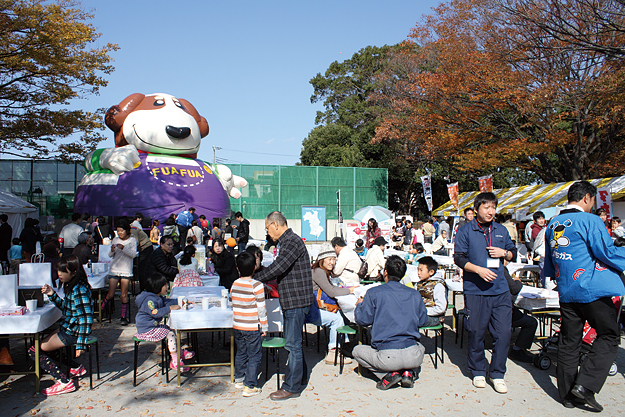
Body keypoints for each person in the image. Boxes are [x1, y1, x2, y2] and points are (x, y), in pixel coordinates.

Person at [544, 181, 625, 411]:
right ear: (588, 198)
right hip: (592, 289)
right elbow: (606, 251)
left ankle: (567, 395)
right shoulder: (590, 220)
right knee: (609, 336)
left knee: (570, 341)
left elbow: (550, 260)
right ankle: (586, 386)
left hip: (566, 289)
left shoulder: (554, 222)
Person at [453, 192, 516, 394]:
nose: (491, 211)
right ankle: (478, 370)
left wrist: (504, 253)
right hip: (476, 290)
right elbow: (459, 258)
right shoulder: (465, 231)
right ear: (477, 209)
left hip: (500, 290)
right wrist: (478, 270)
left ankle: (497, 373)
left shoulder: (501, 230)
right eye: (487, 207)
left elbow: (512, 252)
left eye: (494, 208)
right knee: (476, 332)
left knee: (504, 333)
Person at [253, 211, 313, 401]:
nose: (268, 233)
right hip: (293, 300)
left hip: (296, 301)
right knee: (294, 342)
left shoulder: (291, 241)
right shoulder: (287, 241)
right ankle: (300, 377)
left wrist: (254, 279)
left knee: (292, 344)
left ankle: (291, 387)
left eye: (267, 228)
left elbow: (279, 267)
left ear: (275, 225)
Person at [352, 255, 428, 390]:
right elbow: (422, 321)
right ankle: (408, 373)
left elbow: (362, 320)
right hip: (412, 353)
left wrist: (359, 305)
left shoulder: (374, 293)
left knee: (357, 351)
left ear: (385, 272)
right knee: (421, 347)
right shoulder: (414, 294)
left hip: (387, 355)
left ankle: (388, 374)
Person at [33, 255, 93, 396]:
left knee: (35, 350)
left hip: (73, 332)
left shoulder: (79, 289)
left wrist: (81, 344)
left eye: (63, 271)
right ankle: (75, 367)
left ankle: (63, 382)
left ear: (74, 272)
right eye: (58, 270)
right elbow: (67, 308)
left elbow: (86, 318)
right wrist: (52, 294)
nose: (59, 274)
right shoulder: (73, 287)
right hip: (69, 329)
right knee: (39, 345)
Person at [135, 273, 194, 372]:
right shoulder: (149, 300)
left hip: (151, 326)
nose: (167, 287)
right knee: (170, 334)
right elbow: (155, 313)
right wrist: (169, 309)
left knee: (170, 329)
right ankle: (175, 361)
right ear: (157, 287)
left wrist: (183, 301)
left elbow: (168, 302)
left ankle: (178, 352)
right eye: (165, 285)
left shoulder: (157, 297)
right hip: (146, 329)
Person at [310, 243, 355, 364]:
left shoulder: (321, 271)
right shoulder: (318, 272)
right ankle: (333, 352)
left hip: (314, 307)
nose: (332, 262)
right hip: (312, 310)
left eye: (334, 259)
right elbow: (331, 291)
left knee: (341, 314)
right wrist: (350, 290)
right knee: (337, 319)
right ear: (321, 260)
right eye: (329, 259)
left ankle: (343, 346)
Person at [231, 252, 268, 397]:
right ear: (254, 267)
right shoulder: (257, 285)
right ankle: (249, 385)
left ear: (237, 268)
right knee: (254, 355)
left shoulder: (234, 284)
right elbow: (261, 309)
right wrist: (264, 327)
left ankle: (239, 379)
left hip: (238, 325)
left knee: (241, 352)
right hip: (252, 326)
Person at [101, 219, 137, 326]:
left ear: (127, 230)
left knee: (123, 294)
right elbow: (110, 255)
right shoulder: (115, 239)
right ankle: (101, 311)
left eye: (122, 231)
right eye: (118, 231)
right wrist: (112, 249)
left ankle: (123, 316)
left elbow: (133, 254)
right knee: (110, 294)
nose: (120, 233)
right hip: (114, 269)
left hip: (126, 270)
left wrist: (124, 248)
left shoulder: (132, 240)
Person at [503, 261, 538, 363]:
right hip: (504, 310)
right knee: (531, 322)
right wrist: (518, 281)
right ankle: (517, 350)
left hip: (493, 308)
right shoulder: (501, 269)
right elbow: (515, 289)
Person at [401, 256, 447, 327]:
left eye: (421, 270)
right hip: (420, 314)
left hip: (434, 317)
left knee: (409, 320)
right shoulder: (418, 284)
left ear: (431, 272)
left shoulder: (438, 285)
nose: (418, 273)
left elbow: (441, 308)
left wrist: (423, 311)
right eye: (418, 270)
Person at [131, 220, 154, 291]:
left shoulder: (133, 230)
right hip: (142, 249)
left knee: (142, 269)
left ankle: (144, 288)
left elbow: (135, 243)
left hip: (146, 248)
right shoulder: (132, 229)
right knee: (141, 269)